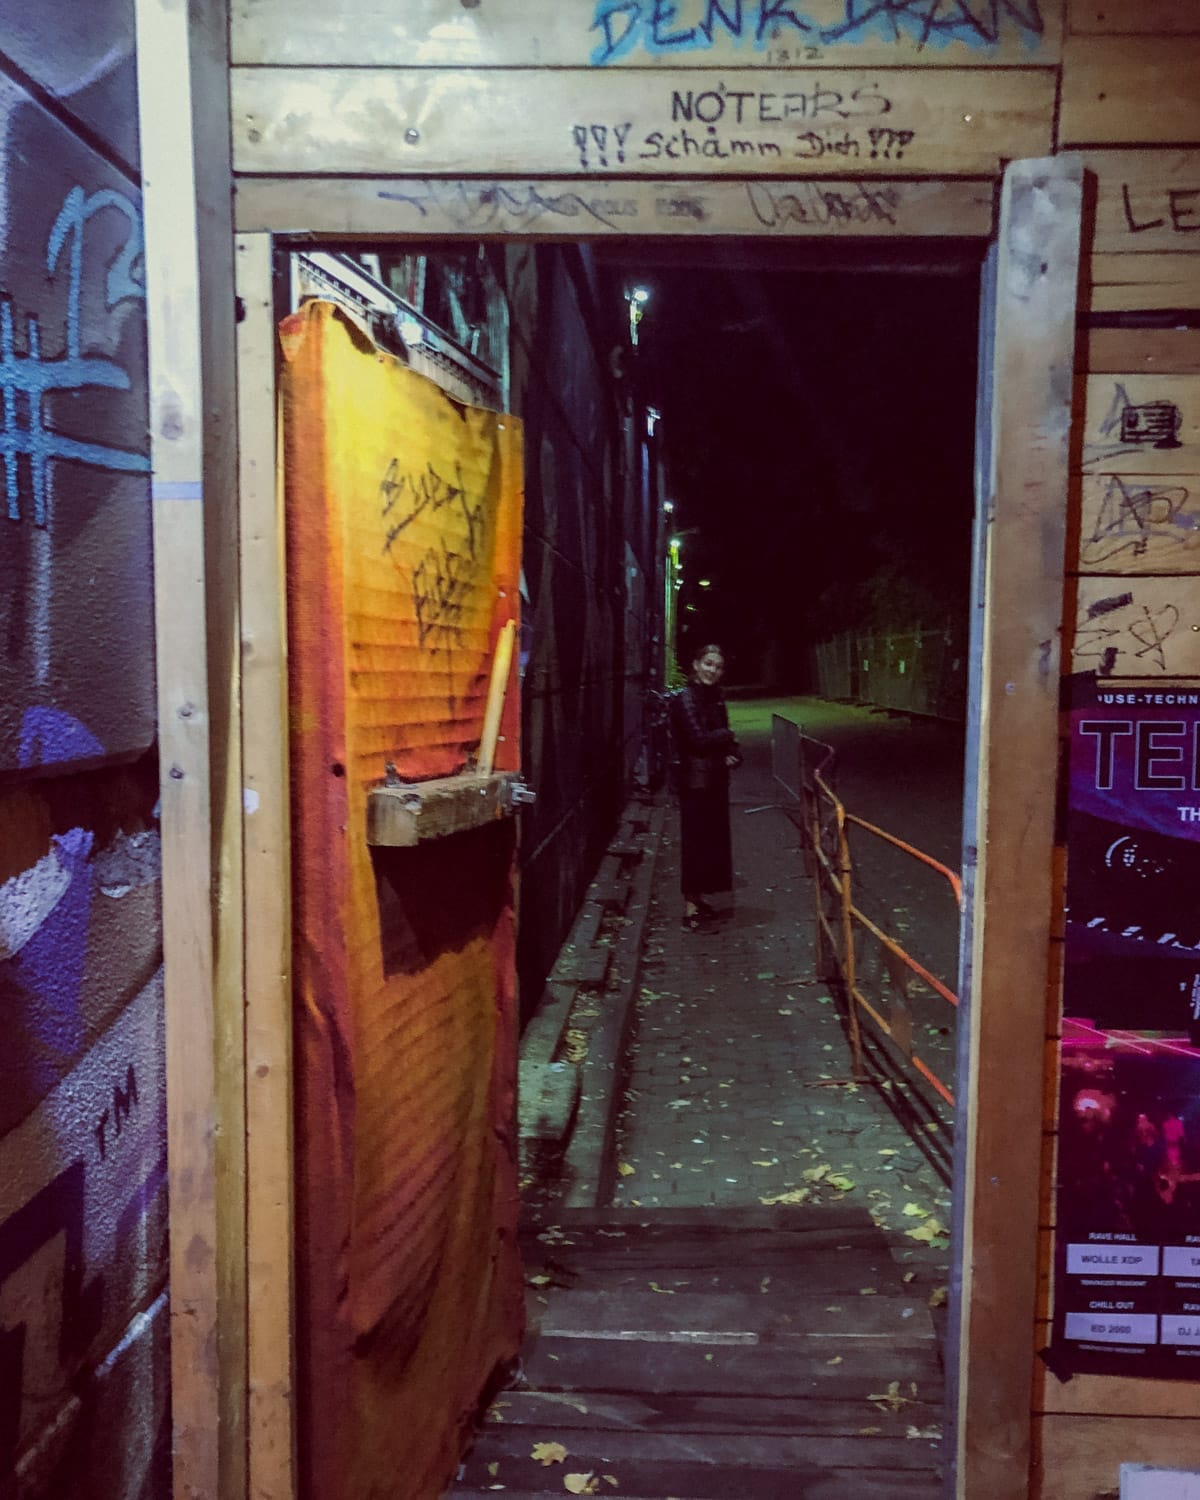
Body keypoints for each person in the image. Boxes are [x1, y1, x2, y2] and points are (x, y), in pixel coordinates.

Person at [669, 643, 741, 930]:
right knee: (695, 844)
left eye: (718, 666)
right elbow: (698, 739)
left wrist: (732, 750)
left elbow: (720, 739)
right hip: (695, 782)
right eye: (709, 664)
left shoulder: (714, 697)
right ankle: (689, 909)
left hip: (715, 780)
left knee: (711, 844)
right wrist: (726, 735)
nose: (713, 670)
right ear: (696, 665)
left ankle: (698, 900)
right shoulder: (684, 698)